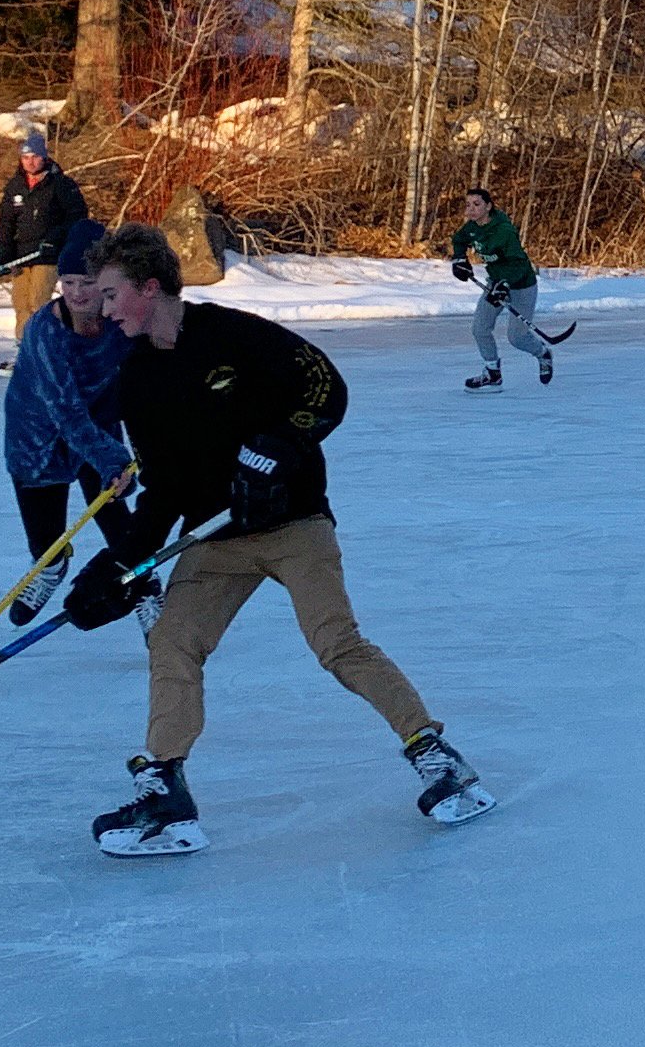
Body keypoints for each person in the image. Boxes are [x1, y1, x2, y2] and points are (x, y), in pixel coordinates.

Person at [69, 223, 491, 856]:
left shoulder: (234, 335)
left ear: (148, 288)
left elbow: (324, 387)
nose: (98, 309)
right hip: (214, 540)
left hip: (296, 525)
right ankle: (166, 792)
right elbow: (163, 491)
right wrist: (118, 564)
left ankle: (437, 755)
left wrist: (278, 446)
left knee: (336, 644)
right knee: (174, 643)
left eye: (108, 294)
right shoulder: (138, 380)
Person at [0, 217, 130, 626]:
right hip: (37, 433)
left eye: (86, 282)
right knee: (45, 534)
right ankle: (51, 567)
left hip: (98, 425)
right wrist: (112, 457)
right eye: (67, 282)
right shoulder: (45, 332)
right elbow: (65, 411)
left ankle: (143, 586)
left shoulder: (120, 322)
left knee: (119, 524)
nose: (75, 293)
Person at [0, 128, 89, 356]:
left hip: (47, 255)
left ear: (44, 157)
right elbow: (6, 223)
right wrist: (3, 256)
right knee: (21, 303)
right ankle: (24, 349)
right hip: (21, 256)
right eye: (26, 157)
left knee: (38, 301)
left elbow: (78, 216)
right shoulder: (15, 187)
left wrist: (55, 239)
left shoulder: (60, 184)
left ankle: (45, 348)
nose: (31, 162)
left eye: (35, 157)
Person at [443, 184, 549, 389]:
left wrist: (505, 285)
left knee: (516, 337)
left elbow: (518, 263)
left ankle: (543, 353)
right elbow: (459, 240)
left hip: (521, 285)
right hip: (495, 282)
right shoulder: (472, 227)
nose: (471, 209)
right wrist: (459, 260)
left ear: (488, 206)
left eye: (476, 204)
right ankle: (492, 372)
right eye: (467, 205)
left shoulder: (504, 231)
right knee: (479, 328)